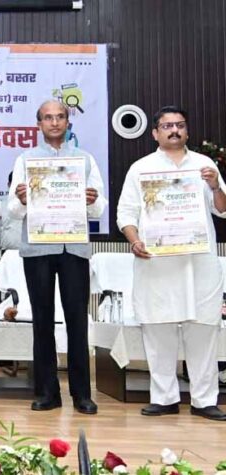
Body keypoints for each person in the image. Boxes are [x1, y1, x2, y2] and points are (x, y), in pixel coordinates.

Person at [117, 105, 226, 421]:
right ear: (155, 133)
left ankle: (204, 400)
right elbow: (126, 213)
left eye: (180, 125)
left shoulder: (205, 165)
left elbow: (222, 209)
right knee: (158, 329)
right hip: (158, 262)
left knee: (203, 331)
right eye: (167, 126)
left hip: (198, 262)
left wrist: (216, 186)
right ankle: (164, 398)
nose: (174, 130)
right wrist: (135, 240)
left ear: (187, 131)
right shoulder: (141, 168)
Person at [7, 99, 106, 415]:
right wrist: (22, 200)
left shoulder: (85, 160)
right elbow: (12, 210)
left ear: (68, 122)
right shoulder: (25, 160)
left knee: (77, 320)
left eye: (60, 117)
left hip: (74, 248)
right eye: (48, 118)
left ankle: (82, 394)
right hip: (38, 248)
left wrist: (91, 200)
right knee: (42, 320)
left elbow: (99, 208)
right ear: (38, 124)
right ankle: (47, 392)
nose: (54, 122)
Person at [0, 171, 22, 308]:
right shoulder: (1, 206)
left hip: (31, 257)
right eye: (14, 184)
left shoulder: (34, 204)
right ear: (8, 185)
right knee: (5, 299)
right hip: (7, 257)